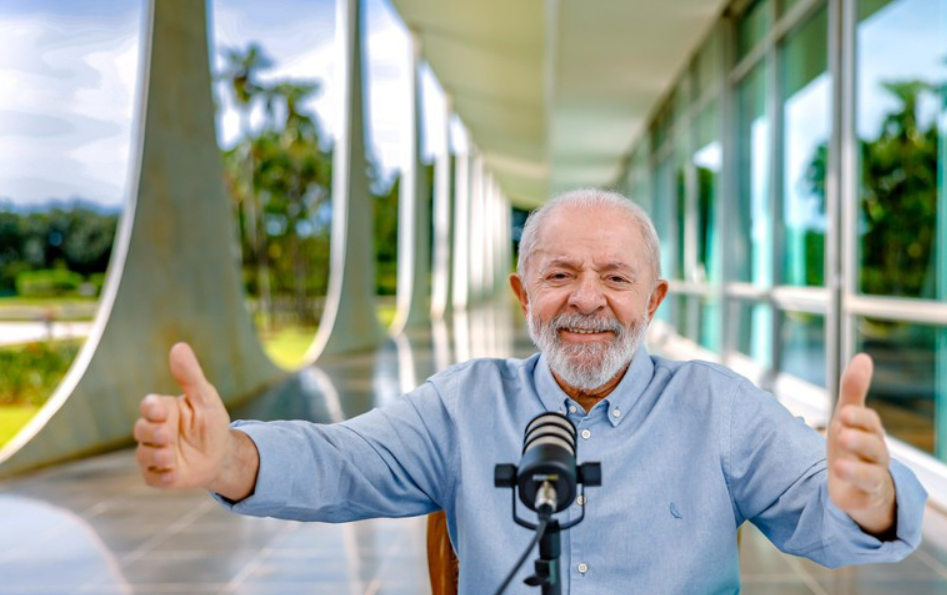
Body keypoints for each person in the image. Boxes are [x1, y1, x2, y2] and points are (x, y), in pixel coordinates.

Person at [134, 188, 927, 594]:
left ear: (652, 302)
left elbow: (825, 516)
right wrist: (230, 456)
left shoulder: (718, 407)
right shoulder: (461, 405)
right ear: (523, 294)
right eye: (559, 275)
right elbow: (339, 463)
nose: (587, 299)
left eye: (615, 277)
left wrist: (869, 498)